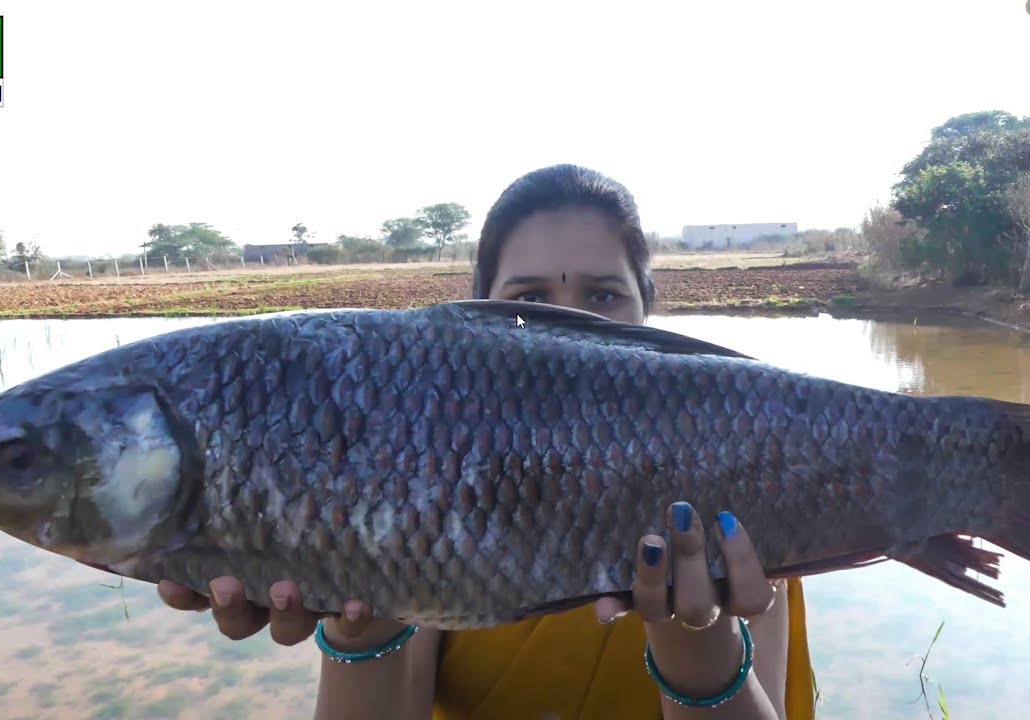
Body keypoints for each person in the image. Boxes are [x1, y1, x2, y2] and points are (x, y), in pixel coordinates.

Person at [157, 164, 817, 720]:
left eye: (604, 295)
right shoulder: (430, 488)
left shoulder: (728, 496)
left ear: (653, 321)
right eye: (529, 297)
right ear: (478, 323)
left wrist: (698, 643)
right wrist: (365, 614)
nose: (568, 325)